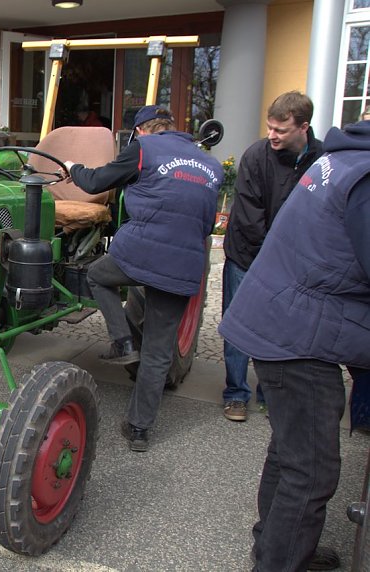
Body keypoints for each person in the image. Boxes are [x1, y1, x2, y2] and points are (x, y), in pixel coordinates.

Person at [219, 119, 370, 572]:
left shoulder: (339, 160)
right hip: (298, 335)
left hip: (280, 320)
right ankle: (281, 560)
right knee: (312, 471)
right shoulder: (362, 176)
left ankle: (276, 548)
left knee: (289, 454)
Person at [64, 105, 221, 452]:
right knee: (159, 351)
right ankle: (138, 430)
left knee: (98, 274)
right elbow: (208, 224)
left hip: (143, 253)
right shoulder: (210, 165)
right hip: (185, 263)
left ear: (140, 131)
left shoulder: (143, 149)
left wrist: (72, 168)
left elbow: (95, 181)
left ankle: (121, 340)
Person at [221, 91, 323, 422]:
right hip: (247, 254)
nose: (272, 136)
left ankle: (269, 393)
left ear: (303, 127)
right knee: (239, 326)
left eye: (280, 130)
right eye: (269, 128)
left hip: (294, 262)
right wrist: (274, 257)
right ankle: (236, 393)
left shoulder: (321, 160)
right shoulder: (256, 156)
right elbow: (249, 217)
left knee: (280, 330)